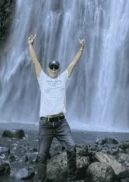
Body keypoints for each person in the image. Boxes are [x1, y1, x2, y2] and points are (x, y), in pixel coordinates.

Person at [27, 34, 85, 182]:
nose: (53, 69)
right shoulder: (42, 78)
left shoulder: (63, 78)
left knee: (72, 147)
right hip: (46, 124)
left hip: (61, 123)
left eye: (56, 67)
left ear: (58, 70)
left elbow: (74, 63)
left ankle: (72, 178)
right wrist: (30, 45)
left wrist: (81, 48)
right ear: (47, 69)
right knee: (41, 155)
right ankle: (42, 180)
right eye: (51, 67)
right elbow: (35, 61)